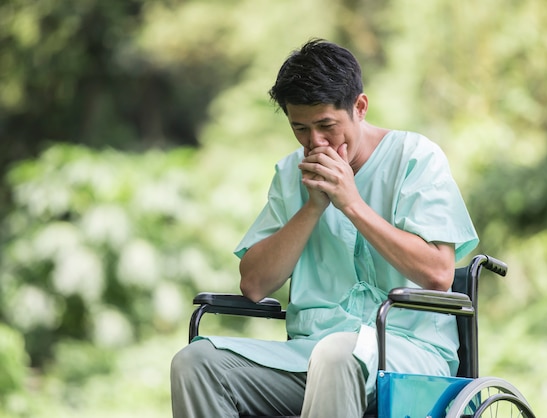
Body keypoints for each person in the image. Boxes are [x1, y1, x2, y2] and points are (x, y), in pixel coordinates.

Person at [170, 38, 479, 418]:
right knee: (196, 363)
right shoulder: (290, 174)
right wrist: (312, 209)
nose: (314, 142)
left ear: (360, 108)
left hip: (407, 354)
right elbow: (253, 285)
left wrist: (351, 203)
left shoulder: (416, 158)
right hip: (310, 353)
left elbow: (438, 273)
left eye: (326, 125)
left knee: (335, 355)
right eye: (299, 128)